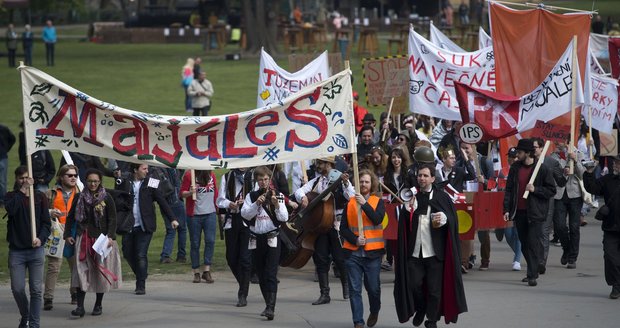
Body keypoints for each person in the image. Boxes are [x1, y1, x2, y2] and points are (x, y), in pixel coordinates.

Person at [394, 164, 467, 328]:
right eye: (420, 175)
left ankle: (432, 320)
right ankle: (420, 308)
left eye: (426, 176)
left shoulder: (442, 197)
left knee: (435, 290)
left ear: (433, 178)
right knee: (414, 285)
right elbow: (403, 225)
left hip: (435, 253)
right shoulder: (411, 196)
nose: (422, 178)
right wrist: (406, 210)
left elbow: (453, 220)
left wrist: (446, 218)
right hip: (415, 252)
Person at [295, 157, 355, 305]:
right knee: (320, 259)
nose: (318, 166)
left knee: (340, 258)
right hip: (320, 226)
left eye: (320, 163)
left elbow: (351, 196)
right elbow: (299, 191)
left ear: (329, 165)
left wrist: (346, 183)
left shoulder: (341, 179)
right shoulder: (317, 181)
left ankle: (346, 287)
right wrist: (303, 197)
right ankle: (324, 293)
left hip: (336, 225)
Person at [64, 168, 121, 317]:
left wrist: (110, 236)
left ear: (100, 181)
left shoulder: (107, 197)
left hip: (101, 240)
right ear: (86, 181)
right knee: (80, 270)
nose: (93, 184)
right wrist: (68, 234)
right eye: (90, 181)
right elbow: (70, 217)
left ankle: (98, 304)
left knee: (99, 271)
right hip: (83, 238)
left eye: (95, 181)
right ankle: (80, 307)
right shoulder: (79, 197)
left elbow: (113, 219)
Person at [115, 163, 179, 295]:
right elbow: (117, 199)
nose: (147, 171)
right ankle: (142, 273)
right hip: (128, 225)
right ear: (135, 170)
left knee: (140, 254)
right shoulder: (125, 182)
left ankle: (140, 284)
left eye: (147, 168)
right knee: (127, 253)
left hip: (145, 225)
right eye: (144, 169)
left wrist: (172, 218)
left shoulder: (152, 182)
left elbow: (162, 200)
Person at [503, 139, 556, 287]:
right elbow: (509, 190)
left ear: (527, 153)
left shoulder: (542, 169)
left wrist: (536, 190)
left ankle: (532, 275)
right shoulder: (515, 168)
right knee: (524, 243)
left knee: (533, 242)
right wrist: (506, 209)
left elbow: (552, 190)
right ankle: (535, 265)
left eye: (519, 152)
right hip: (519, 211)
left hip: (536, 213)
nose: (517, 155)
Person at [5, 165, 51, 328]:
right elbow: (11, 211)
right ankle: (25, 315)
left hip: (35, 251)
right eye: (21, 178)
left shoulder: (39, 197)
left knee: (36, 290)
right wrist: (22, 190)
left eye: (27, 177)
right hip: (17, 251)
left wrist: (40, 238)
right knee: (17, 288)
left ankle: (34, 323)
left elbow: (46, 223)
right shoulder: (11, 196)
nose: (24, 180)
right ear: (17, 180)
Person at [241, 166, 289, 320]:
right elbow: (245, 215)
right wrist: (256, 204)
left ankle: (271, 307)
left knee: (270, 272)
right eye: (260, 179)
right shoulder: (251, 195)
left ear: (270, 179)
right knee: (261, 273)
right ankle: (268, 303)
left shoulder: (278, 195)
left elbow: (284, 218)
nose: (263, 182)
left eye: (266, 179)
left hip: (272, 237)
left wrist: (276, 205)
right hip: (256, 238)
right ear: (257, 180)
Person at [339, 169, 385, 328]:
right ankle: (358, 321)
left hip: (373, 254)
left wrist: (364, 204)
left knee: (373, 288)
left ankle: (375, 310)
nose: (364, 184)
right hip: (353, 253)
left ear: (371, 184)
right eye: (361, 181)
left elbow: (377, 219)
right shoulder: (350, 203)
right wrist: (355, 240)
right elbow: (343, 229)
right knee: (354, 290)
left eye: (366, 181)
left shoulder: (378, 202)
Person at [583, 155, 620, 299]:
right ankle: (616, 285)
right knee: (611, 257)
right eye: (615, 163)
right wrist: (589, 173)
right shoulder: (608, 179)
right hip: (611, 227)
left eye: (618, 163)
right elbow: (592, 188)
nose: (615, 165)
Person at [43, 165, 80, 311]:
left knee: (76, 266)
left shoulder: (80, 192)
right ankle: (48, 298)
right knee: (54, 267)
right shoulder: (50, 193)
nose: (73, 178)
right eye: (69, 175)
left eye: (75, 175)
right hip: (57, 233)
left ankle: (75, 294)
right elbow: (38, 212)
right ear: (61, 177)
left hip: (73, 232)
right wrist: (49, 212)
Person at [217, 167, 253, 306]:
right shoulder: (227, 177)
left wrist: (247, 204)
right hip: (232, 220)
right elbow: (220, 200)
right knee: (231, 257)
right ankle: (243, 283)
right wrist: (229, 204)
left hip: (248, 221)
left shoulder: (252, 176)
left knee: (245, 258)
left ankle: (243, 293)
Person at [550, 137, 585, 269]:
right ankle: (567, 248)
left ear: (566, 141)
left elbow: (583, 174)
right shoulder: (553, 156)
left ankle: (572, 257)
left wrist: (575, 160)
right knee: (559, 226)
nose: (556, 143)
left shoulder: (578, 153)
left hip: (575, 194)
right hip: (559, 194)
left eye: (559, 140)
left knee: (574, 227)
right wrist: (561, 173)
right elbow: (552, 174)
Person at [180, 169, 218, 283]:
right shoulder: (189, 174)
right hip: (194, 215)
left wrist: (218, 209)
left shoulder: (211, 174)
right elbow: (182, 193)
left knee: (210, 241)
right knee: (195, 243)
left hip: (210, 213)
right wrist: (190, 192)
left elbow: (215, 191)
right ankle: (196, 271)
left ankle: (206, 270)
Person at [148, 167, 187, 264]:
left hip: (163, 202)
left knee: (170, 230)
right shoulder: (173, 168)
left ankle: (165, 255)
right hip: (176, 200)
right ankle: (181, 255)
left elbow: (151, 188)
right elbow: (177, 180)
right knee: (182, 229)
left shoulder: (153, 169)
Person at [0, 123, 16, 207]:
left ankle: (2, 200)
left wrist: (6, 149)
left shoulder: (3, 129)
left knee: (2, 181)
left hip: (2, 157)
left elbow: (12, 139)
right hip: (3, 156)